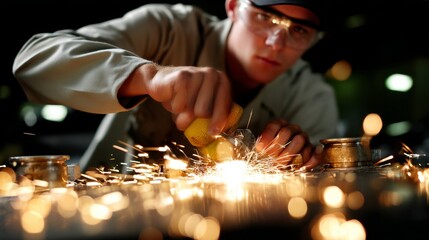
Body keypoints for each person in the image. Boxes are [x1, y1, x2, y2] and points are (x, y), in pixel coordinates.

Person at [12, 0, 339, 172]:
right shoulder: (167, 30)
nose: (275, 42)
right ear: (233, 6)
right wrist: (148, 78)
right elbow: (32, 60)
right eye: (265, 17)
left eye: (298, 31)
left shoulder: (312, 96)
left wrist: (297, 158)